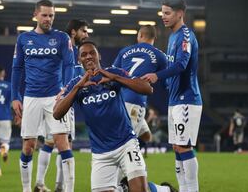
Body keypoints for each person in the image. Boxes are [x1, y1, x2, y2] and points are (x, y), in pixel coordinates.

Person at [54, 41, 176, 192]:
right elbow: (56, 113)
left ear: (99, 55)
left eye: (92, 52)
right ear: (79, 60)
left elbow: (147, 88)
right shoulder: (75, 84)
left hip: (126, 144)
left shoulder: (114, 73)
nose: (89, 57)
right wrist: (78, 87)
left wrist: (115, 78)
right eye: (84, 54)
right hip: (101, 153)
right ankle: (163, 190)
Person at [11, 0, 75, 192]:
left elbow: (69, 65)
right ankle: (26, 189)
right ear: (36, 15)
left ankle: (68, 189)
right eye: (45, 15)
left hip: (55, 98)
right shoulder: (23, 39)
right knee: (29, 145)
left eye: (52, 15)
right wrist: (15, 96)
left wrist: (66, 90)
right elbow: (17, 68)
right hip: (31, 98)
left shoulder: (62, 38)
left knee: (62, 143)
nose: (48, 19)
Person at [142, 0, 203, 192]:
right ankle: (183, 189)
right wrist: (166, 81)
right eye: (162, 13)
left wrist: (157, 76)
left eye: (167, 13)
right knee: (177, 147)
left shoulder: (185, 35)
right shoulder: (172, 36)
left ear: (180, 14)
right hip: (175, 99)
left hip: (187, 98)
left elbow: (181, 64)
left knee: (184, 147)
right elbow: (172, 67)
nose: (163, 17)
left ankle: (191, 189)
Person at [34, 19, 89, 192]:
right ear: (73, 32)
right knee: (62, 143)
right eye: (84, 31)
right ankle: (55, 186)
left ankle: (43, 184)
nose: (86, 35)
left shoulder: (72, 51)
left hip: (57, 101)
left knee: (53, 142)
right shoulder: (67, 49)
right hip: (60, 102)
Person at [113, 25, 167, 157]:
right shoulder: (159, 55)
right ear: (154, 38)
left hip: (121, 100)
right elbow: (166, 82)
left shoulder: (125, 51)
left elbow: (112, 72)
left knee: (146, 136)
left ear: (141, 35)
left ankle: (133, 165)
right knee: (126, 144)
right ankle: (121, 176)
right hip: (136, 101)